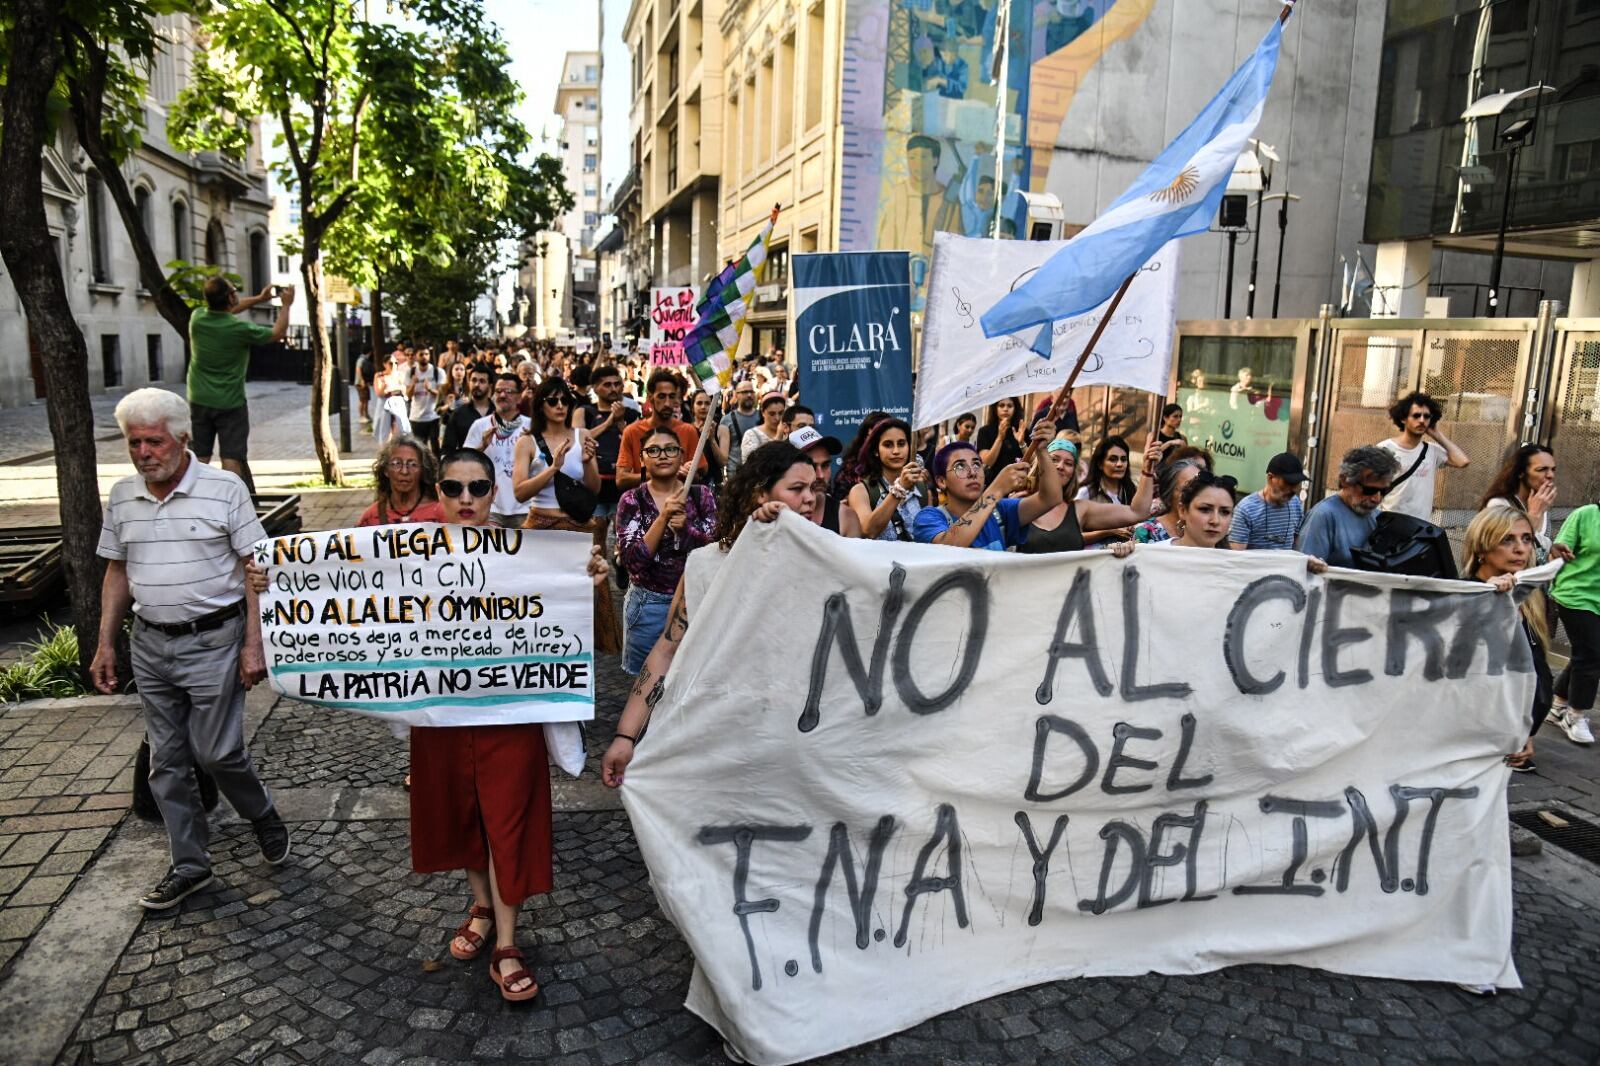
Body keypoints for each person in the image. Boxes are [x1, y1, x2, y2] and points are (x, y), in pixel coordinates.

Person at [411, 448, 610, 1002]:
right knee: (462, 815)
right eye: (454, 488)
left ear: (494, 492)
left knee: (508, 821)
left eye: (477, 488)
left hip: (511, 716)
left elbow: (564, 616)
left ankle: (506, 941)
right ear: (438, 492)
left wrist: (589, 580)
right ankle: (481, 906)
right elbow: (339, 586)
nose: (466, 498)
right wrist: (270, 580)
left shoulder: (529, 553)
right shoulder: (407, 550)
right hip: (441, 714)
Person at [91, 388, 288, 910]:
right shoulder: (122, 495)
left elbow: (255, 569)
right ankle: (190, 865)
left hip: (215, 640)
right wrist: (106, 643)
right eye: (134, 443)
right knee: (167, 761)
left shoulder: (224, 489)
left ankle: (260, 811)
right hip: (150, 643)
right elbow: (117, 571)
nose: (143, 453)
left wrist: (254, 645)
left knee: (218, 753)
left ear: (182, 439)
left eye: (153, 442)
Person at [601, 442, 819, 788]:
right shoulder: (706, 567)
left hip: (795, 740)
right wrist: (626, 736)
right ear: (761, 495)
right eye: (797, 488)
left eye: (813, 488)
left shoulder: (822, 561)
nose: (810, 498)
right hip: (722, 737)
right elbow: (666, 651)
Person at [1460, 502, 1553, 772]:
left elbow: (1532, 670)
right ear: (1481, 548)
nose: (1520, 549)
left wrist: (1526, 731)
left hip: (1507, 741)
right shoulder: (1462, 596)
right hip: (1469, 740)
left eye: (1527, 539)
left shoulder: (1529, 598)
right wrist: (1483, 599)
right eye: (1507, 540)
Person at [616, 428, 718, 674]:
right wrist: (662, 519)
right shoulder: (632, 500)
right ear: (642, 459)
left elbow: (713, 550)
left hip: (696, 601)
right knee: (646, 682)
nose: (662, 455)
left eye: (670, 449)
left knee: (690, 679)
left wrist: (685, 530)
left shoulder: (701, 495)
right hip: (649, 607)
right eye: (653, 450)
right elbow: (633, 562)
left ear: (681, 455)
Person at [187, 277, 294, 493]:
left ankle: (194, 496)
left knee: (201, 455)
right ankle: (230, 499)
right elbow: (277, 333)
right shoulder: (239, 329)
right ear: (230, 297)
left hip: (199, 398)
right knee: (231, 457)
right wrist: (286, 305)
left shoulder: (197, 318)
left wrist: (260, 298)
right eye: (234, 291)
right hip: (230, 402)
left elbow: (227, 310)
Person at [913, 420, 1060, 550]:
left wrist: (1042, 451)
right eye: (960, 467)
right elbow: (948, 546)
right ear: (941, 481)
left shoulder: (1001, 511)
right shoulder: (929, 518)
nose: (972, 472)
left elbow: (1050, 498)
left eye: (977, 464)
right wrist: (996, 489)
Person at [1021, 438, 1163, 555]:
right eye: (1054, 459)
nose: (1060, 466)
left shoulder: (1079, 510)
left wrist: (1147, 469)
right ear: (1041, 463)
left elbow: (1138, 512)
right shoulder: (1019, 504)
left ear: (1073, 473)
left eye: (1069, 463)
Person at [576, 364, 640, 563]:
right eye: (607, 384)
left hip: (622, 483)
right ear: (595, 388)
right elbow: (578, 441)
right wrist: (608, 422)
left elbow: (638, 446)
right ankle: (600, 574)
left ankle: (621, 567)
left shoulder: (631, 413)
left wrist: (621, 424)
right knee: (597, 532)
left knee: (625, 534)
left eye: (617, 384)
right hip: (594, 484)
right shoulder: (584, 412)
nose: (613, 388)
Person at [1296, 445, 1399, 567]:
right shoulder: (1323, 516)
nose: (1377, 499)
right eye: (1369, 490)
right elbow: (1305, 568)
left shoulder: (1377, 518)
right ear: (1345, 480)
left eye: (1384, 491)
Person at [1550, 498, 1600, 747]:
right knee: (1592, 654)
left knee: (1586, 653)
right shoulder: (1586, 514)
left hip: (1598, 599)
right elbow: (1558, 550)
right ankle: (1575, 714)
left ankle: (1558, 705)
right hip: (1574, 594)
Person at [1375, 390, 1469, 521]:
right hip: (1390, 522)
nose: (1422, 420)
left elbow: (1462, 461)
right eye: (1416, 416)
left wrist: (1437, 435)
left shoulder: (1432, 451)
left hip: (1421, 525)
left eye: (1426, 416)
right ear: (1403, 418)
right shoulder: (1385, 448)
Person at [616, 371, 705, 492]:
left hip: (680, 499)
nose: (667, 403)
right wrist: (657, 473)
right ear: (650, 397)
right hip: (645, 501)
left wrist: (690, 473)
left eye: (672, 396)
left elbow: (701, 471)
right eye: (661, 396)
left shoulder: (688, 431)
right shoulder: (632, 432)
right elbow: (621, 479)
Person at [846, 417, 927, 542]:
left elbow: (928, 536)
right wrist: (899, 488)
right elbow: (868, 531)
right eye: (888, 445)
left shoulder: (920, 487)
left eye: (901, 444)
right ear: (876, 451)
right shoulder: (860, 491)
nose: (896, 451)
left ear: (909, 447)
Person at [467, 373, 532, 527]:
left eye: (509, 392)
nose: (502, 395)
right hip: (491, 508)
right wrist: (482, 447)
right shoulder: (480, 425)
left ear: (519, 397)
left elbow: (546, 464)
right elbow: (464, 464)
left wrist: (532, 446)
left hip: (524, 508)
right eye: (498, 391)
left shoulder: (531, 426)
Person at [1480, 443, 1558, 564]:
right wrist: (1533, 515)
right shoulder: (1499, 504)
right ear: (1521, 472)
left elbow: (1539, 546)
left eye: (1553, 469)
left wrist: (1552, 548)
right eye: (1542, 469)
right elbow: (1505, 548)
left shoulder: (1542, 504)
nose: (1550, 475)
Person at [1228, 452, 1308, 550]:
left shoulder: (1295, 504)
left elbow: (1297, 544)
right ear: (1270, 478)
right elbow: (1236, 554)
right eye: (1288, 482)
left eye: (1297, 483)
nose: (1293, 489)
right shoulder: (1246, 509)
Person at [790, 425, 859, 537]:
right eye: (812, 466)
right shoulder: (773, 513)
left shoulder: (846, 517)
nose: (820, 475)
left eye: (825, 465)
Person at [360, 435, 445, 526]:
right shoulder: (370, 518)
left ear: (423, 470)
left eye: (413, 464)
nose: (404, 471)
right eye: (397, 463)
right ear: (386, 470)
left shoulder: (441, 513)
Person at [1077, 435, 1140, 547]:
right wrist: (1108, 532)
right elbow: (1073, 536)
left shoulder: (1132, 490)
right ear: (1100, 464)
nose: (1119, 464)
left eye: (1123, 459)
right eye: (1113, 459)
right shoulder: (1086, 493)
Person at [1132, 459, 1204, 545]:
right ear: (1169, 492)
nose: (1196, 495)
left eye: (1200, 489)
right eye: (1188, 489)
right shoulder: (1146, 532)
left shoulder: (1209, 529)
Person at [443, 362, 494, 453]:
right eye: (474, 380)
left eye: (482, 381)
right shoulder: (458, 414)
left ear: (490, 386)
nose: (477, 384)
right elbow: (447, 449)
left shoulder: (498, 412)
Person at [718, 380, 764, 475]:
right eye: (745, 392)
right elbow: (723, 458)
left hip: (760, 473)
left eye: (751, 392)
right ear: (736, 395)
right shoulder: (727, 420)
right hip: (736, 475)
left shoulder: (763, 417)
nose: (749, 395)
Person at [405, 347, 446, 455]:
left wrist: (429, 389)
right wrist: (413, 384)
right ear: (416, 357)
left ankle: (436, 465)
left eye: (426, 354)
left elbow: (442, 395)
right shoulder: (410, 372)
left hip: (434, 416)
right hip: (416, 417)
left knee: (435, 446)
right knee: (420, 448)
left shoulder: (438, 372)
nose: (424, 357)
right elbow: (408, 396)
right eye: (421, 354)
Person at [975, 398, 1026, 481]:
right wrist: (1000, 438)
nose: (1005, 409)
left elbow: (1032, 459)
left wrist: (1022, 443)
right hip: (993, 482)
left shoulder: (1022, 431)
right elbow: (987, 462)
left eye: (1009, 406)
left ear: (1015, 409)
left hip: (1018, 481)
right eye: (1001, 405)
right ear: (995, 408)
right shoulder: (985, 431)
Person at [741, 392, 790, 459]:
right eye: (772, 414)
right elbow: (751, 463)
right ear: (763, 412)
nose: (777, 418)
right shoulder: (751, 434)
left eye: (781, 413)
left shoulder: (788, 432)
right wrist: (778, 437)